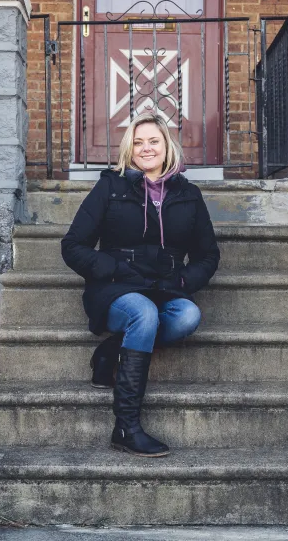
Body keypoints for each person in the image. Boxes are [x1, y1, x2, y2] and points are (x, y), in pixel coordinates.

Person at [61, 112, 220, 457]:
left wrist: (181, 279)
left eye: (153, 141)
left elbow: (208, 256)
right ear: (129, 149)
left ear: (167, 147)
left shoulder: (188, 195)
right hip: (115, 289)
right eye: (138, 142)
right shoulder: (111, 186)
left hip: (164, 287)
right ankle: (126, 427)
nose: (146, 148)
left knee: (187, 316)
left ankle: (109, 352)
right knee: (143, 313)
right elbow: (73, 246)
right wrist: (112, 268)